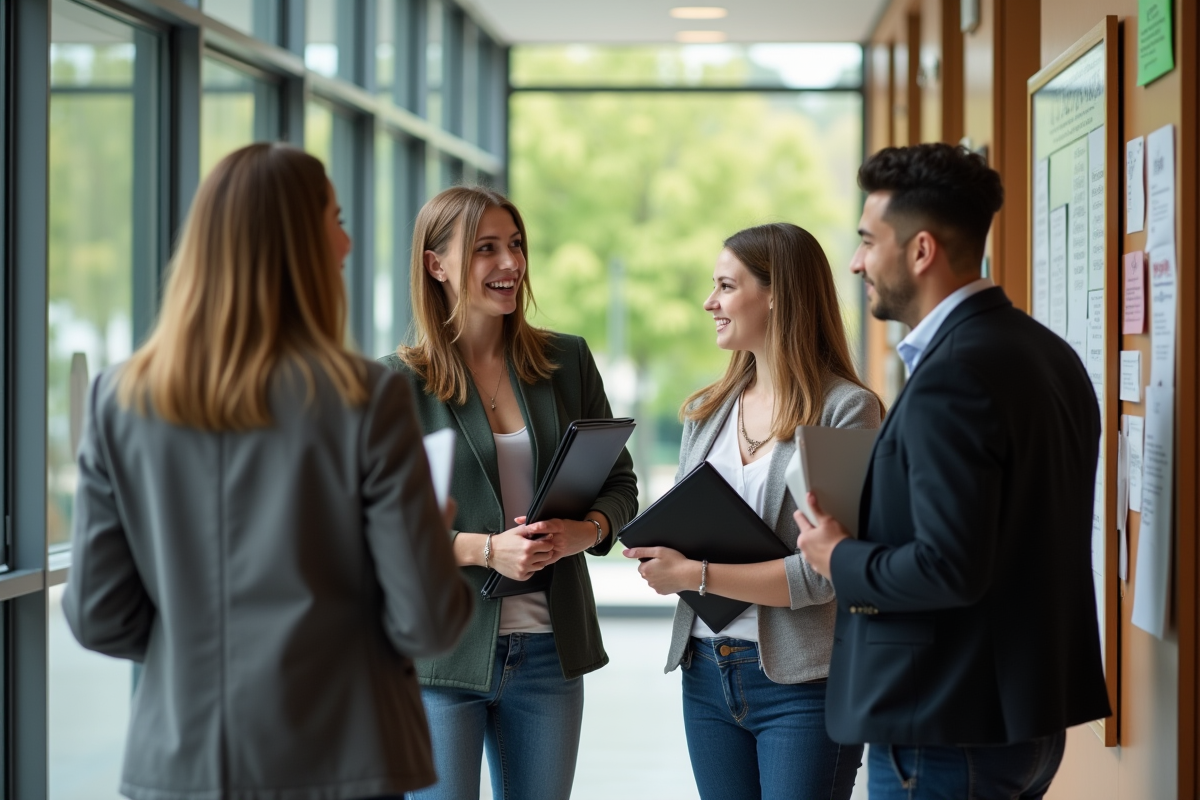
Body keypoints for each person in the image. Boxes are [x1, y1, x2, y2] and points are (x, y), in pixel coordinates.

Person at [62, 143, 474, 800]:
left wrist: (200, 651)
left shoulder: (118, 401)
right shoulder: (365, 399)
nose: (346, 244)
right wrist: (429, 539)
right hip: (340, 761)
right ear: (294, 246)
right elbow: (425, 622)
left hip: (183, 765)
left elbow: (98, 613)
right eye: (333, 221)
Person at [796, 142, 1112, 799]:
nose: (855, 263)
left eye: (865, 241)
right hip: (1024, 720)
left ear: (921, 250)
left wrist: (838, 557)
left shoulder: (954, 375)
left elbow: (949, 565)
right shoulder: (1049, 354)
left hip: (943, 727)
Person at [381, 186, 638, 800]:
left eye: (516, 246)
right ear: (435, 263)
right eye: (485, 249)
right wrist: (486, 550)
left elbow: (621, 483)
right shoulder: (397, 384)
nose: (511, 265)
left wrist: (587, 531)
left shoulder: (566, 361)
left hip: (550, 652)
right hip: (442, 658)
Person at [623, 223, 880, 800]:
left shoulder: (847, 411)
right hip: (707, 674)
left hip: (803, 685)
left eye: (725, 286)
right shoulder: (707, 413)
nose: (710, 302)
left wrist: (692, 574)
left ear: (776, 296)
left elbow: (823, 575)